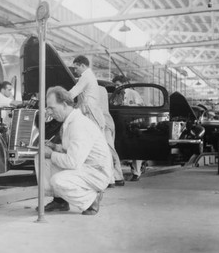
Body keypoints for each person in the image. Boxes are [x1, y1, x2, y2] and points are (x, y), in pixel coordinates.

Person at [34, 86, 114, 215]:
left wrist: (51, 153)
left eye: (52, 108)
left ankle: (91, 200)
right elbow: (72, 150)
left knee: (58, 180)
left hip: (96, 172)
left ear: (65, 105)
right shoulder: (70, 121)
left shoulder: (78, 125)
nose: (48, 112)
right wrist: (55, 147)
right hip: (86, 166)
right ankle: (60, 201)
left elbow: (73, 162)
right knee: (41, 157)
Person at [112, 75, 144, 181]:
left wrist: (128, 107)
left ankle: (137, 172)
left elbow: (141, 107)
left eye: (118, 85)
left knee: (135, 148)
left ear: (124, 84)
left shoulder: (133, 94)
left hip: (132, 124)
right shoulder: (115, 95)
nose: (116, 87)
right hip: (119, 124)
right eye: (115, 85)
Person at [68, 55, 105, 131]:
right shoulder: (90, 75)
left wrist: (59, 99)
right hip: (91, 109)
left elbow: (73, 93)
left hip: (89, 110)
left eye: (76, 68)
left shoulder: (86, 76)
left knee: (90, 133)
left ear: (82, 65)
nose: (75, 71)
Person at [98, 86, 125, 187]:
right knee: (110, 150)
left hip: (102, 124)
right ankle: (116, 177)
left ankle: (113, 178)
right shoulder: (102, 89)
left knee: (108, 151)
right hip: (107, 122)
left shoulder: (96, 89)